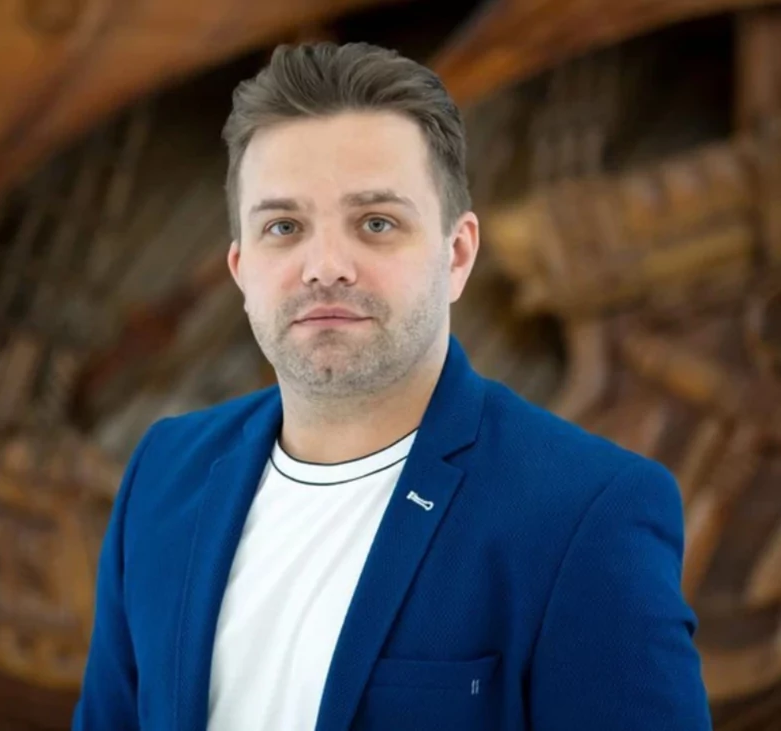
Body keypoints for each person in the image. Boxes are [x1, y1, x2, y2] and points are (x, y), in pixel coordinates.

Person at [72, 41, 711, 731]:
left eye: (376, 223)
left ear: (457, 254)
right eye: (283, 227)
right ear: (241, 268)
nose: (325, 265)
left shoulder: (589, 513)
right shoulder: (165, 472)